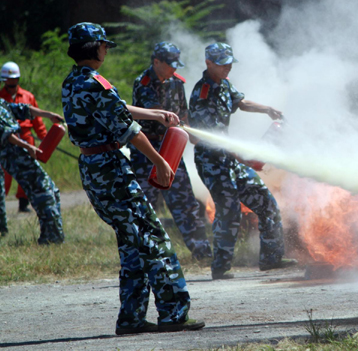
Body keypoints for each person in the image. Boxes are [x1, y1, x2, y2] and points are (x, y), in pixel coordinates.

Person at [61, 22, 204, 335]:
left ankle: (131, 319)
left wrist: (155, 114)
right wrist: (161, 161)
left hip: (92, 168)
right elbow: (129, 131)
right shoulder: (97, 83)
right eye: (104, 45)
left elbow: (117, 109)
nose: (106, 50)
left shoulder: (73, 82)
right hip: (112, 170)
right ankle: (173, 314)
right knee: (154, 239)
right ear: (94, 48)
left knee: (131, 243)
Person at [188, 42, 297, 280]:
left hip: (230, 159)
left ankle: (271, 258)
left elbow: (241, 103)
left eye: (229, 63)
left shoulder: (224, 84)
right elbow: (214, 138)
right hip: (212, 162)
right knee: (228, 212)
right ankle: (221, 267)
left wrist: (267, 109)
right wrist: (243, 156)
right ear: (208, 63)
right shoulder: (202, 94)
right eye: (222, 63)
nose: (227, 67)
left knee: (265, 201)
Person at [129, 42, 211, 261]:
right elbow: (153, 112)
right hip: (146, 150)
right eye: (170, 64)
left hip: (171, 149)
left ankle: (202, 251)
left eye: (176, 64)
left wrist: (191, 132)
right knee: (145, 204)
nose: (174, 69)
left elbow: (182, 112)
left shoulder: (177, 83)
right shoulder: (143, 83)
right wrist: (169, 120)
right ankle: (145, 254)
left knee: (185, 201)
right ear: (156, 62)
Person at [0, 98, 64, 243]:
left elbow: (24, 109)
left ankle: (56, 234)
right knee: (42, 193)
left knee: (52, 190)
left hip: (20, 152)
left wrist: (49, 115)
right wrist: (28, 147)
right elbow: (6, 135)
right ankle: (50, 238)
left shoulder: (2, 103)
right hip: (12, 155)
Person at [0, 61, 48, 213]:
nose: (12, 82)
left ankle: (23, 203)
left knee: (28, 172)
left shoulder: (28, 96)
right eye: (9, 79)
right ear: (4, 80)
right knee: (5, 174)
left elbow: (37, 121)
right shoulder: (0, 98)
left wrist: (44, 140)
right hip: (7, 141)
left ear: (18, 79)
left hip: (27, 138)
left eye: (14, 79)